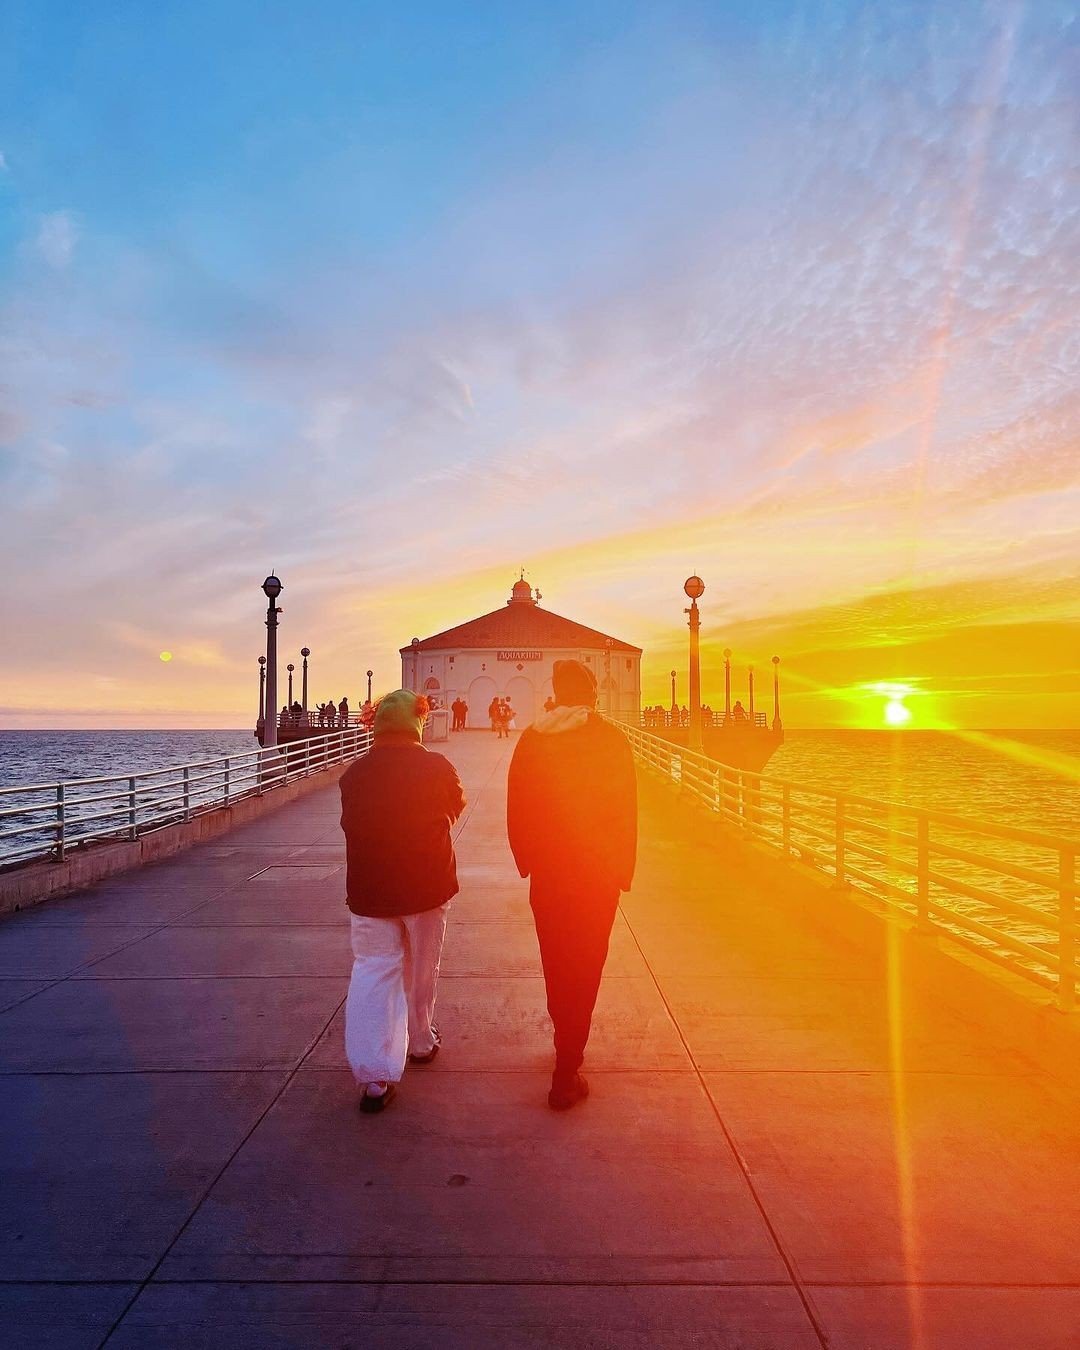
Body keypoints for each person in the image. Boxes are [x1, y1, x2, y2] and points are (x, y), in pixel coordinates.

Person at [506, 659, 637, 1111]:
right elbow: (627, 807)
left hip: (550, 872)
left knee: (555, 955)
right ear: (593, 695)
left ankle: (565, 1039)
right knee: (587, 960)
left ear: (556, 694)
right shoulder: (611, 739)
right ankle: (567, 1065)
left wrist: (526, 859)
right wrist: (622, 868)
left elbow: (516, 804)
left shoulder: (533, 739)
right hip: (596, 874)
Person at [339, 690, 466, 1113]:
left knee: (374, 971)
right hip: (427, 886)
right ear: (418, 723)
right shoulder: (436, 765)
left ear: (375, 726)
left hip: (371, 890)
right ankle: (422, 1040)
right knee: (421, 968)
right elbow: (456, 804)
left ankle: (374, 1077)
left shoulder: (354, 774)